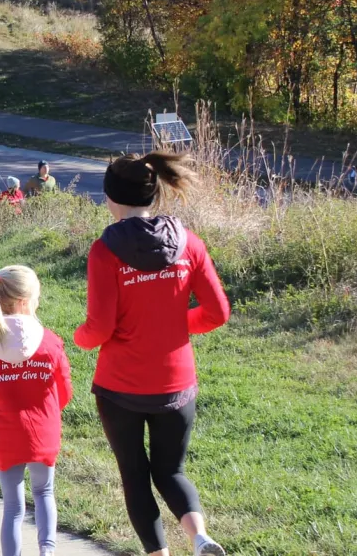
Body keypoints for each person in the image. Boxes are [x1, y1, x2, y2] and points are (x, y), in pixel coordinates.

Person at [74, 152, 230, 556]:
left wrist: (79, 338)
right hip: (177, 385)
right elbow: (218, 313)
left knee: (135, 475)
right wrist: (177, 324)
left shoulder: (105, 252)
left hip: (120, 387)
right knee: (171, 470)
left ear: (110, 198)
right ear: (155, 193)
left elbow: (100, 329)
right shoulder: (189, 243)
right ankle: (200, 538)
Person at [0, 265, 72, 556]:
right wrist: (46, 413)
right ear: (25, 301)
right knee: (44, 493)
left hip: (2, 436)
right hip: (43, 433)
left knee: (12, 506)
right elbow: (65, 391)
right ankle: (47, 552)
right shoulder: (50, 342)